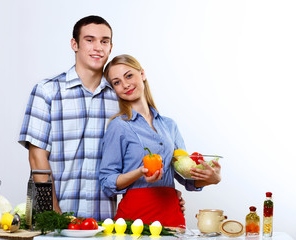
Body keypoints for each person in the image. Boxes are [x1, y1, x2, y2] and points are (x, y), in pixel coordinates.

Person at [18, 16, 185, 221]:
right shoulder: (48, 91)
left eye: (104, 41)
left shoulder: (121, 96)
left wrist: (165, 193)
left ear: (110, 47)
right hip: (55, 215)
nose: (98, 47)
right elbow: (37, 158)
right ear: (74, 44)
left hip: (105, 221)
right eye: (89, 40)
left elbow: (143, 150)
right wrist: (53, 215)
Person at [99, 54, 222, 227]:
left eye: (129, 75)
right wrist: (140, 172)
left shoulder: (170, 125)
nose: (125, 85)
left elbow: (186, 178)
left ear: (142, 74)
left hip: (171, 213)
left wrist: (212, 179)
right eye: (116, 82)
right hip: (135, 217)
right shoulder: (118, 126)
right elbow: (107, 181)